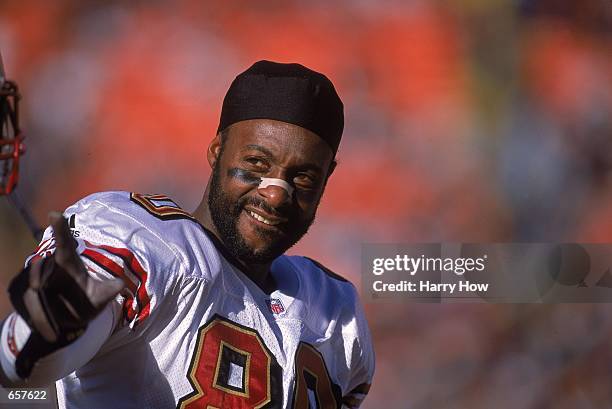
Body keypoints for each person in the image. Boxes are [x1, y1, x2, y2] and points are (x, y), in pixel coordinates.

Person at [0, 60, 375, 408]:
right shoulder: (147, 245)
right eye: (256, 163)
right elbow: (25, 366)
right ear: (217, 151)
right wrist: (46, 328)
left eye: (303, 177)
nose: (276, 192)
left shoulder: (335, 311)